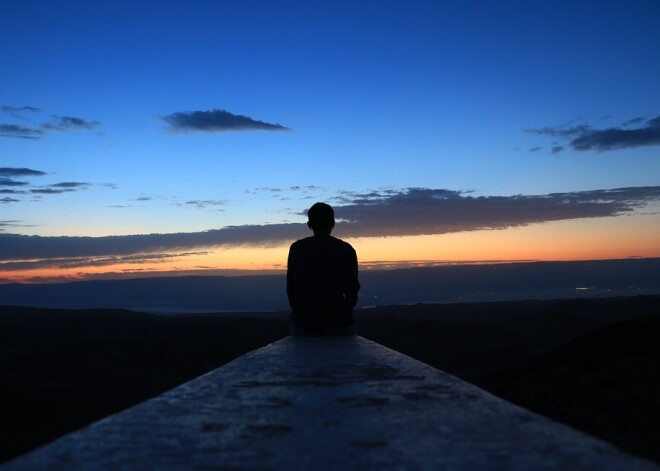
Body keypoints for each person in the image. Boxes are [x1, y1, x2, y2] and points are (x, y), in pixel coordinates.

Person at [287, 202, 360, 336]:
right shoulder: (346, 249)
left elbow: (291, 289)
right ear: (333, 223)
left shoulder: (297, 249)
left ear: (309, 225)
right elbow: (352, 291)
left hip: (303, 323)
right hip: (338, 323)